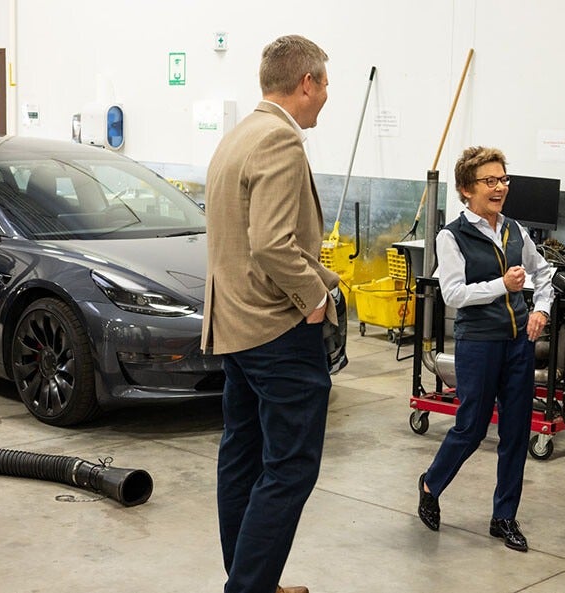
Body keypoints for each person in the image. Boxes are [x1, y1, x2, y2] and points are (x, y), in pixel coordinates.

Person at [201, 34, 337, 593]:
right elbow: (273, 245)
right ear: (306, 82)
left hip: (235, 326)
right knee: (290, 467)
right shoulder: (281, 141)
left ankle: (252, 579)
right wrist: (316, 296)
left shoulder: (238, 136)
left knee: (243, 456)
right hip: (277, 331)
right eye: (326, 83)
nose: (327, 95)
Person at [416, 146, 554, 553]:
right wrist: (502, 286)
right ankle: (430, 483)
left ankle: (504, 516)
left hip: (518, 345)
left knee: (516, 431)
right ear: (465, 189)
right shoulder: (451, 236)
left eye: (503, 180)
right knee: (471, 427)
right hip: (479, 344)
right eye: (489, 181)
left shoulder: (515, 230)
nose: (499, 188)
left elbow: (544, 272)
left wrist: (541, 309)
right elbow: (453, 293)